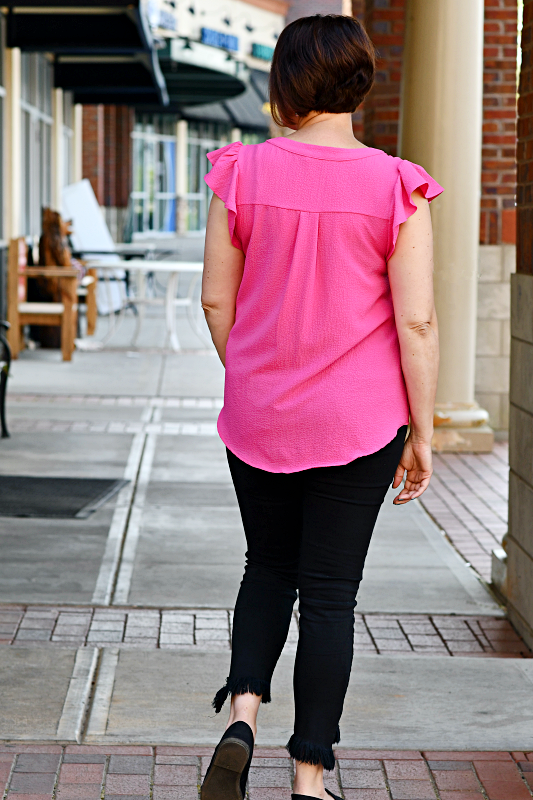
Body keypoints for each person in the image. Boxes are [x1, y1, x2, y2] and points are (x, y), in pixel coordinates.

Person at [200, 13, 442, 800]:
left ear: (284, 82)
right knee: (330, 593)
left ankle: (241, 716)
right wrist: (422, 430)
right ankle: (308, 777)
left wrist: (254, 376)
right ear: (359, 81)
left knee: (265, 567)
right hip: (359, 420)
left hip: (259, 415)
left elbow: (213, 301)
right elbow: (416, 322)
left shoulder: (240, 172)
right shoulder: (394, 184)